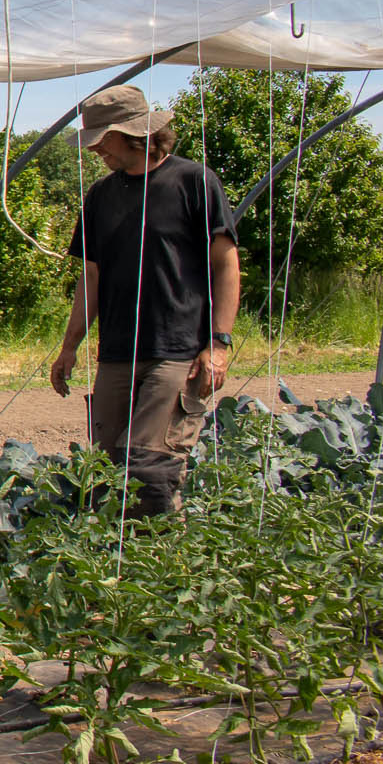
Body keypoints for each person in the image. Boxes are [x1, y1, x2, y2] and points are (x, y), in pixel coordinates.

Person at [49, 85, 240, 515]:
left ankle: (157, 565)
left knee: (151, 468)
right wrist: (69, 346)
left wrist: (219, 343)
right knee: (105, 468)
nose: (96, 149)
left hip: (177, 350)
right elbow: (91, 275)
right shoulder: (100, 196)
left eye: (103, 138)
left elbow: (226, 265)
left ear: (135, 134)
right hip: (117, 351)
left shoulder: (194, 182)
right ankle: (108, 567)